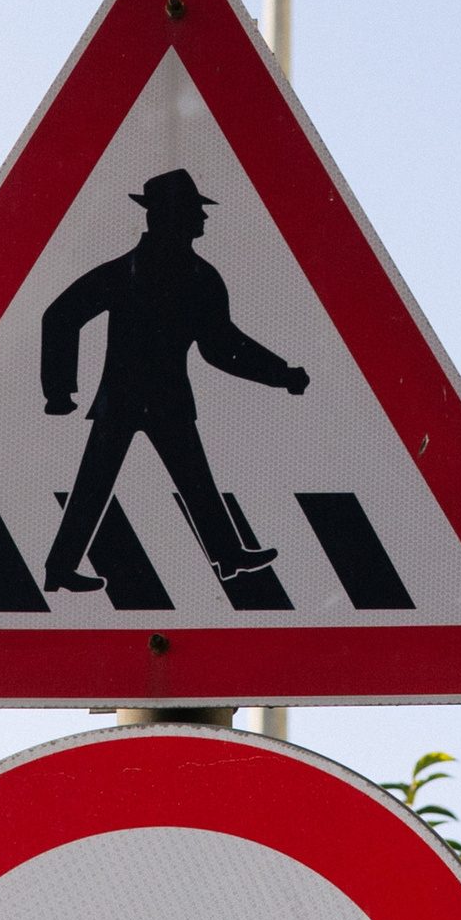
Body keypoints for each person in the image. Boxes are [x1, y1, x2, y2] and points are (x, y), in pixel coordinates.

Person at [38, 167, 309, 599]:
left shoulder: (201, 277)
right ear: (169, 217)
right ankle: (58, 570)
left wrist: (281, 375)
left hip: (167, 403)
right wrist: (59, 391)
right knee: (93, 486)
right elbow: (60, 316)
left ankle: (228, 554)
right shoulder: (127, 271)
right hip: (123, 401)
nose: (204, 220)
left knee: (196, 481)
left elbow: (220, 346)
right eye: (195, 212)